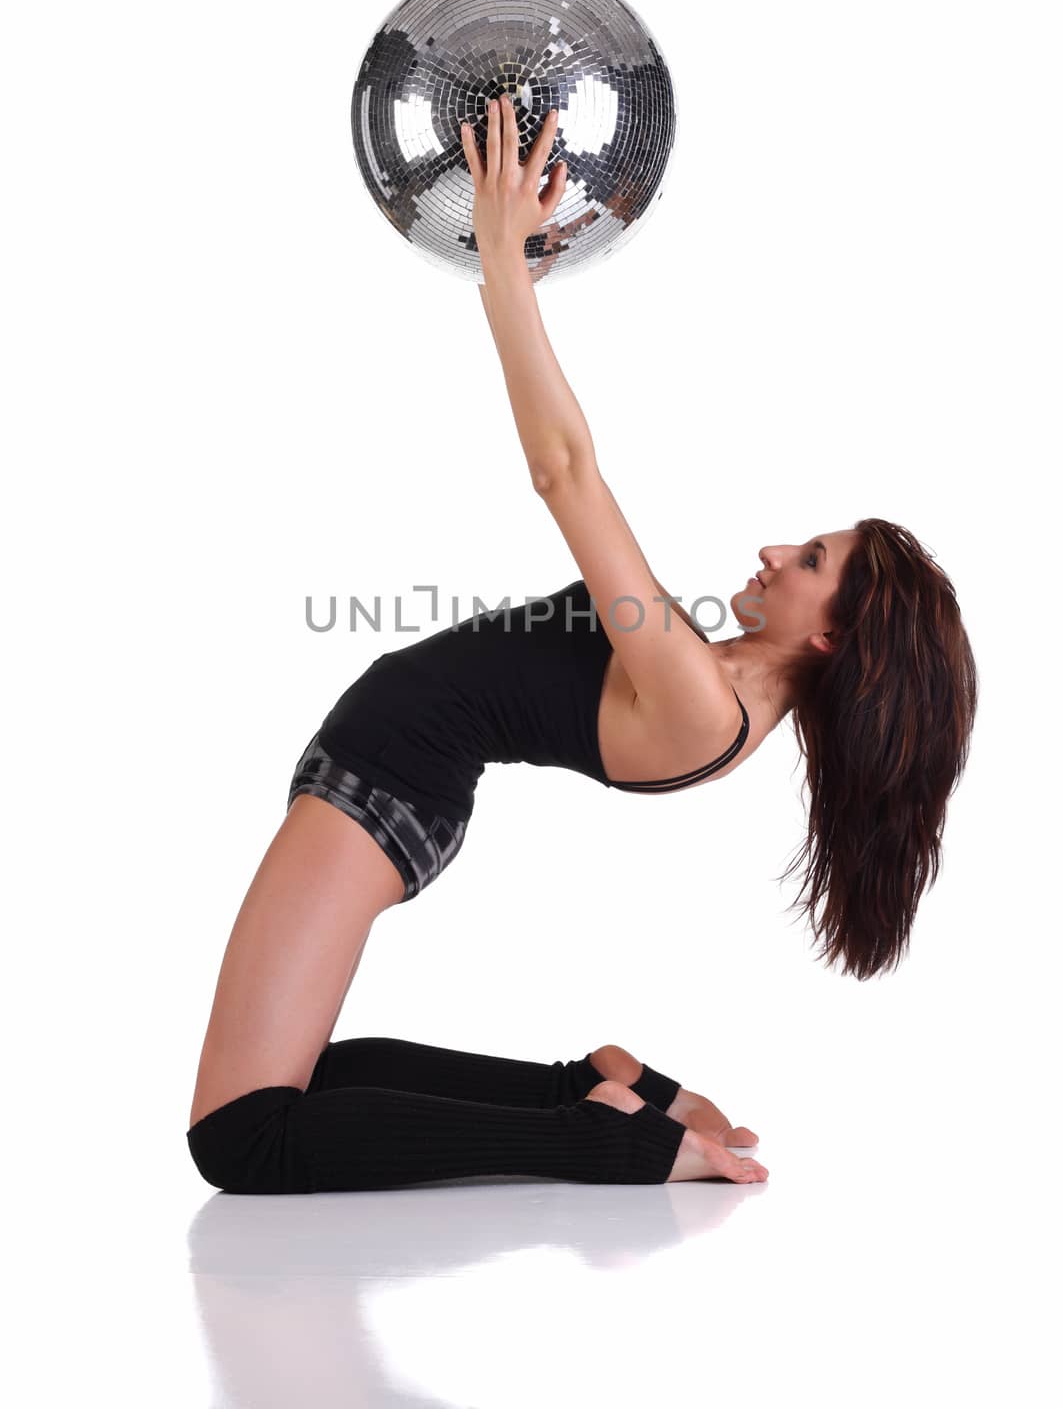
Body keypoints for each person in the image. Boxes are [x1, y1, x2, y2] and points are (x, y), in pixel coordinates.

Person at [187, 94, 978, 1194]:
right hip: (391, 785)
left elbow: (566, 474)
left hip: (383, 786)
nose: (771, 547)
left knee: (242, 1135)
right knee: (304, 1083)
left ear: (837, 635)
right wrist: (522, 268)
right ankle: (589, 1088)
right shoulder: (708, 674)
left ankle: (606, 1140)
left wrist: (500, 269)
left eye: (806, 559)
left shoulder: (705, 699)